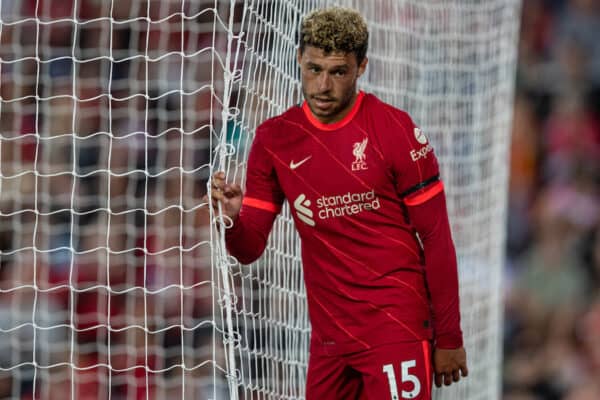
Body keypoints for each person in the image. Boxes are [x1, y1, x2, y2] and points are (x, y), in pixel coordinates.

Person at [207, 7, 468, 399]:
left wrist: (449, 336)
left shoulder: (395, 130)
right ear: (298, 58)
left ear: (361, 66)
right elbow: (249, 249)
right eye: (313, 69)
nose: (322, 86)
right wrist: (230, 221)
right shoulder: (274, 139)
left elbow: (436, 239)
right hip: (329, 341)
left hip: (395, 327)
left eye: (338, 72)